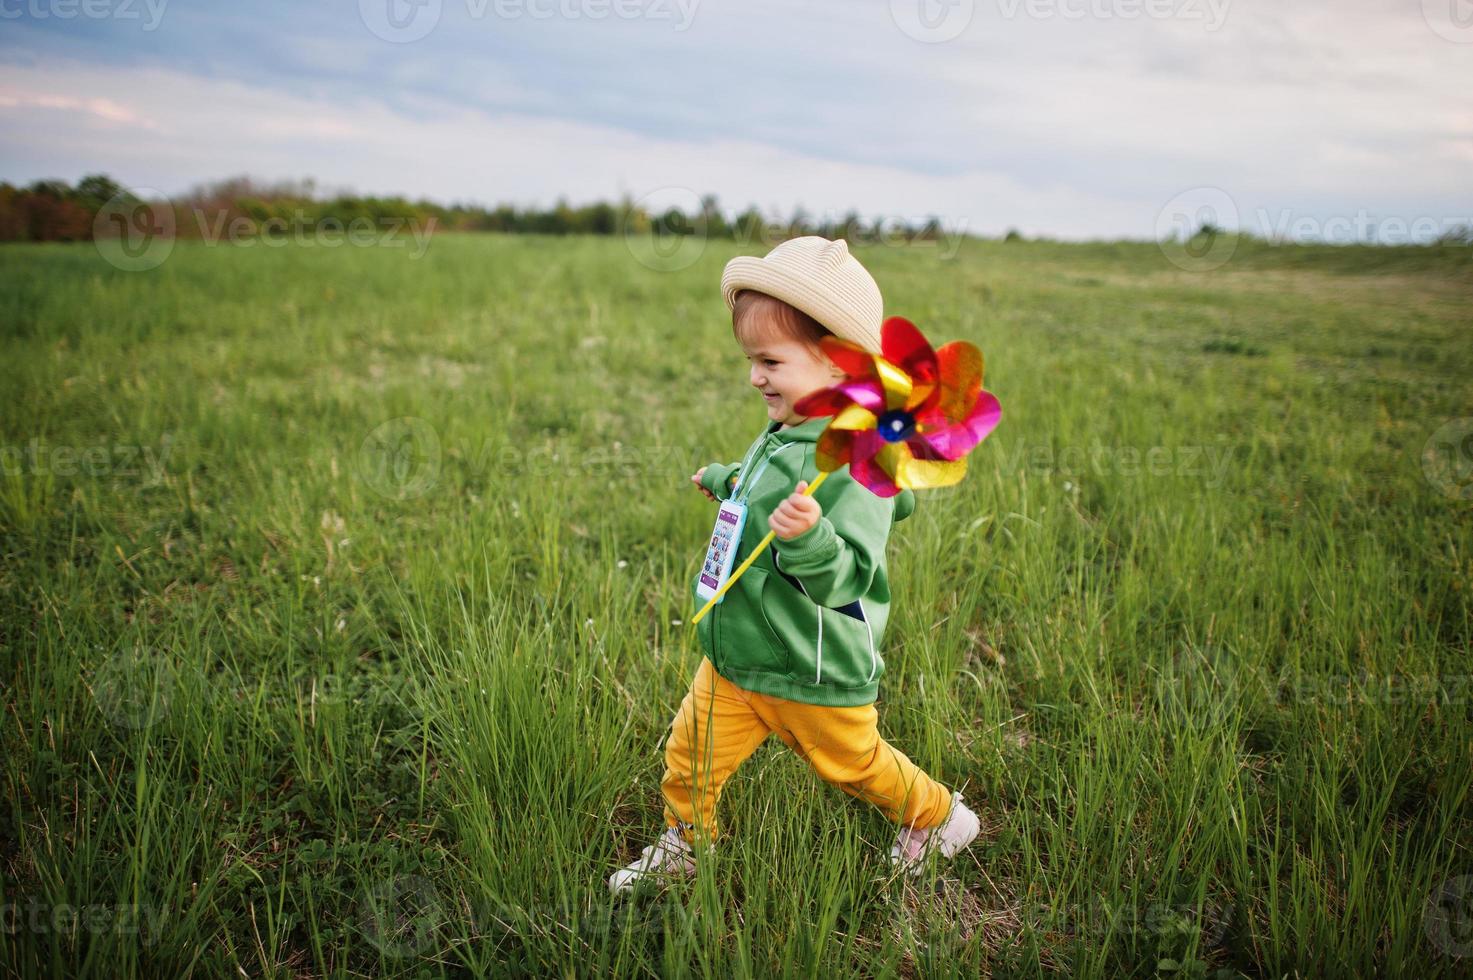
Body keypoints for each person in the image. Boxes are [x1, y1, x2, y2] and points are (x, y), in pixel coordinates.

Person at [608, 237, 980, 896]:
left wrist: (808, 540)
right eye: (751, 359)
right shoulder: (785, 432)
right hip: (738, 651)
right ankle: (688, 845)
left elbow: (850, 578)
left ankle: (939, 817)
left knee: (855, 765)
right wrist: (726, 480)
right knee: (688, 754)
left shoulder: (860, 466)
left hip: (810, 662)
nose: (755, 376)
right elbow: (762, 488)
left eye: (770, 360)